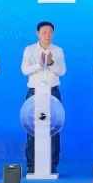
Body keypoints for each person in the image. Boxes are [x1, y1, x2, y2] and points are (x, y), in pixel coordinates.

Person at [20, 21, 66, 174]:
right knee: (32, 128)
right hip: (34, 92)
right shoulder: (30, 49)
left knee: (54, 128)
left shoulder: (58, 50)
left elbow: (62, 71)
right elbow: (24, 70)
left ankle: (52, 165)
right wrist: (39, 65)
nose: (47, 35)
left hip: (53, 92)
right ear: (37, 33)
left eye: (50, 32)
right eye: (44, 32)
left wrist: (51, 63)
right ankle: (32, 165)